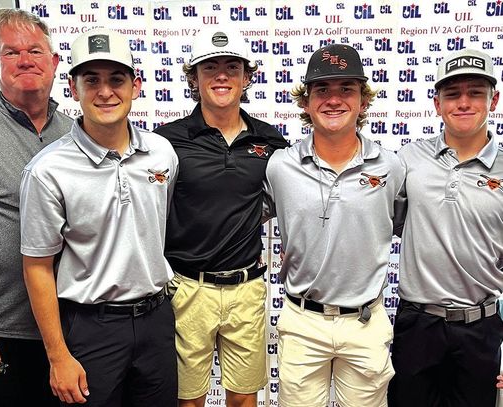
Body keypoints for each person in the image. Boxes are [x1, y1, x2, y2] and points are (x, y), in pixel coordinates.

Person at [19, 28, 178, 406]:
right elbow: (37, 267)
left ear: (136, 86)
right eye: (92, 80)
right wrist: (58, 356)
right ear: (73, 88)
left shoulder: (161, 153)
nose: (105, 92)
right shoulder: (47, 171)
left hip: (156, 320)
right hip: (91, 327)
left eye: (116, 79)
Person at [263, 44, 405, 407]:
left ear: (363, 100)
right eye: (322, 90)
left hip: (365, 322)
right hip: (303, 321)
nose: (334, 100)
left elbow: (410, 229)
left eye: (346, 89)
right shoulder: (281, 166)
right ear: (306, 102)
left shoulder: (391, 167)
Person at [153, 27, 288, 407]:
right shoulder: (166, 141)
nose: (222, 75)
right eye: (210, 67)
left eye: (233, 67)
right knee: (188, 400)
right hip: (187, 289)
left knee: (245, 399)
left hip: (247, 288)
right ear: (193, 78)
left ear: (247, 77)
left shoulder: (271, 141)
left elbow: (284, 199)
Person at [0, 8, 71, 407]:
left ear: (55, 62)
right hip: (4, 335)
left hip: (74, 332)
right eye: (11, 53)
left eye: (36, 51)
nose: (26, 60)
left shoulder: (77, 135)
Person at [388, 48, 502, 407]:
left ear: (493, 100)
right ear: (437, 104)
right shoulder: (408, 159)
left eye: (475, 93)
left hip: (481, 328)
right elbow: (376, 222)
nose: (464, 103)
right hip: (417, 325)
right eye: (452, 94)